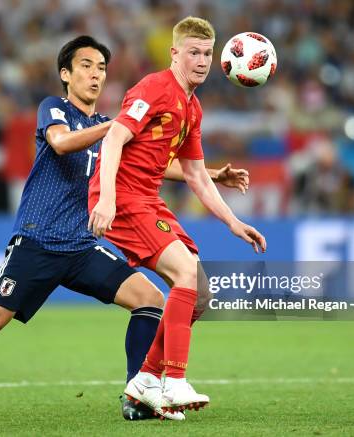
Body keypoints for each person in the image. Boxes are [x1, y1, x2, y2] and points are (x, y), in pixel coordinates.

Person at [0, 35, 250, 422]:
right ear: (66, 74)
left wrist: (213, 174)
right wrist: (117, 127)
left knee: (149, 299)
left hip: (81, 246)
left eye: (101, 68)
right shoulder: (56, 109)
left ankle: (138, 395)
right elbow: (62, 144)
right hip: (38, 239)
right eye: (86, 66)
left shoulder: (106, 127)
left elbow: (152, 164)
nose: (95, 75)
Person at [88, 17, 266, 415]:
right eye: (193, 53)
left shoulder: (193, 106)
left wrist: (234, 223)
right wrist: (107, 199)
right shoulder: (154, 87)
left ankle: (145, 380)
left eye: (207, 53)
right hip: (124, 198)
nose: (201, 61)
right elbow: (115, 136)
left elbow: (196, 175)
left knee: (199, 292)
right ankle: (174, 380)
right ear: (174, 53)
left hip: (147, 199)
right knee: (185, 273)